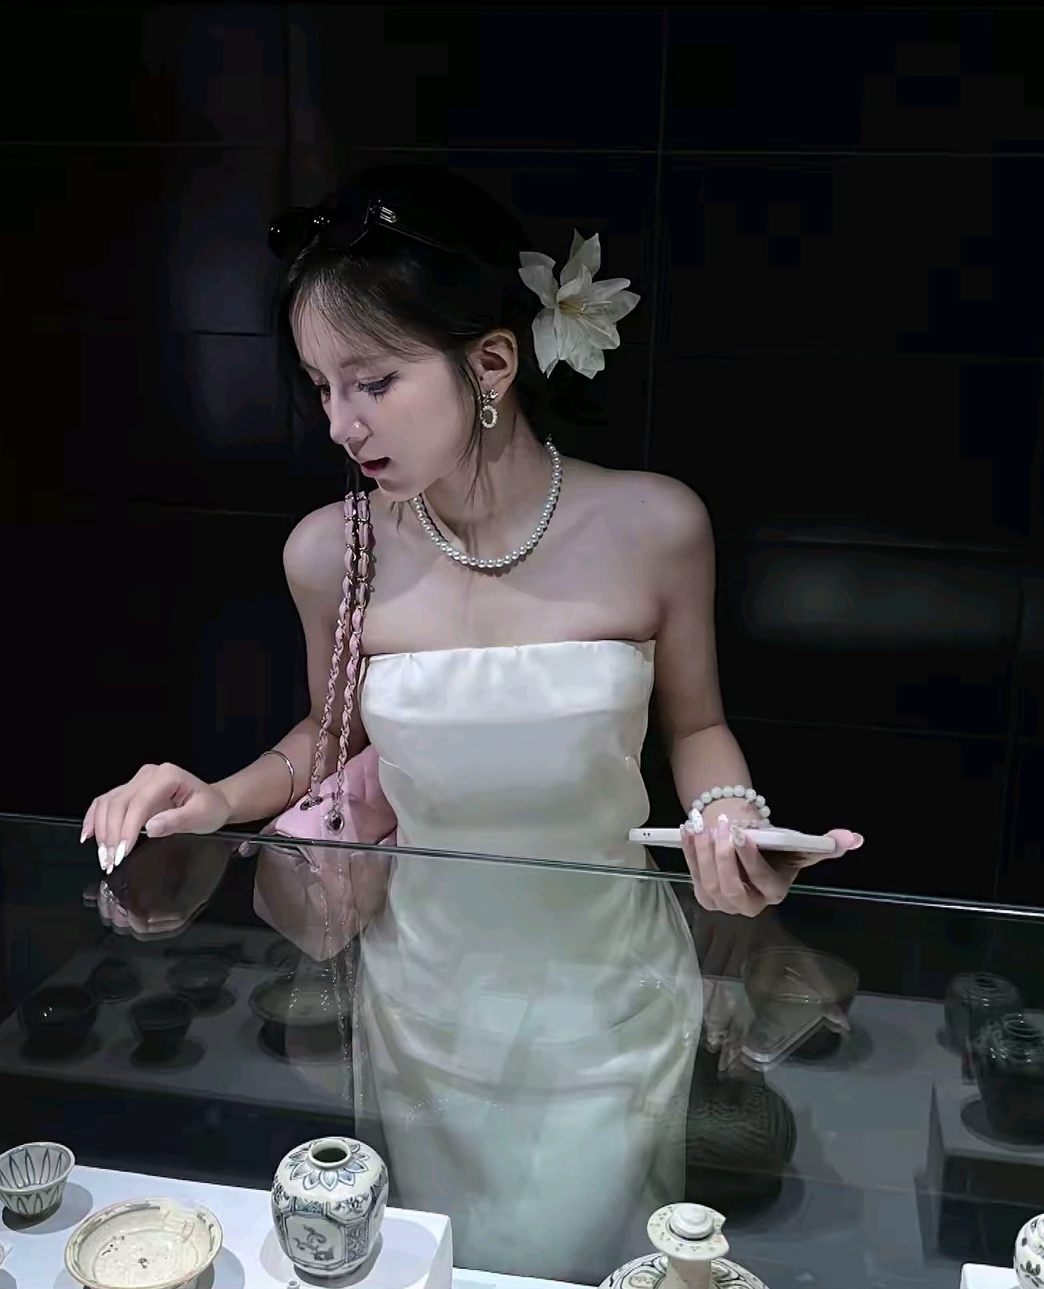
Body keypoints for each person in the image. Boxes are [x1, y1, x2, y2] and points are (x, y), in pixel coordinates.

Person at [82, 164, 862, 1279]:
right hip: (424, 998)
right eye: (320, 386)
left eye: (373, 380)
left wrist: (730, 816)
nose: (341, 422)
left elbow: (695, 730)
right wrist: (215, 798)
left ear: (491, 362)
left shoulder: (653, 524)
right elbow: (327, 738)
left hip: (609, 992)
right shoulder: (332, 551)